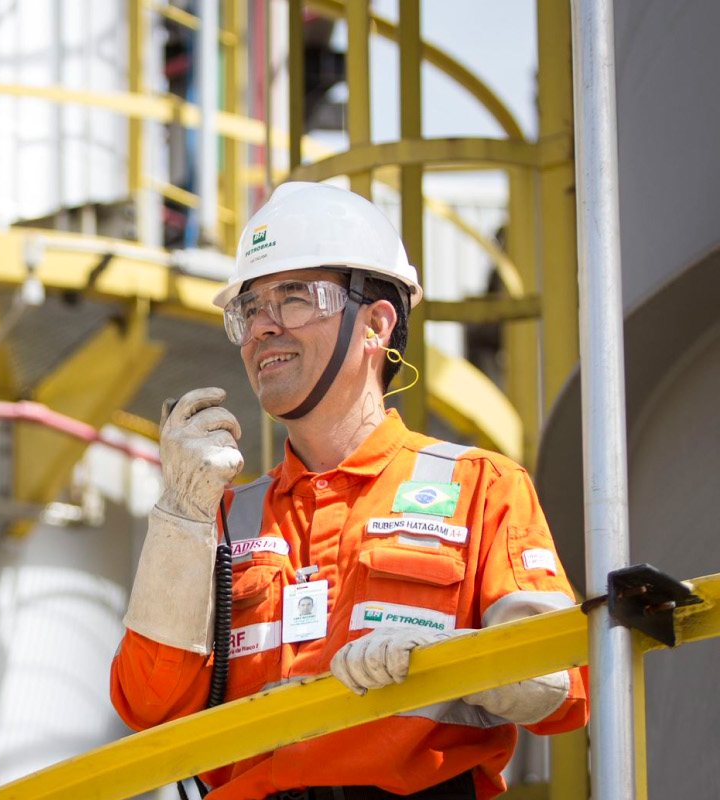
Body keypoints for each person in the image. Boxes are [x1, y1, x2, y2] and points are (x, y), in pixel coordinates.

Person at [110, 182, 588, 800]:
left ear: (376, 324)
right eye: (250, 309)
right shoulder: (222, 518)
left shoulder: (481, 487)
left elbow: (559, 689)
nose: (263, 327)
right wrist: (179, 517)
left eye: (295, 298)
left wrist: (449, 656)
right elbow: (148, 706)